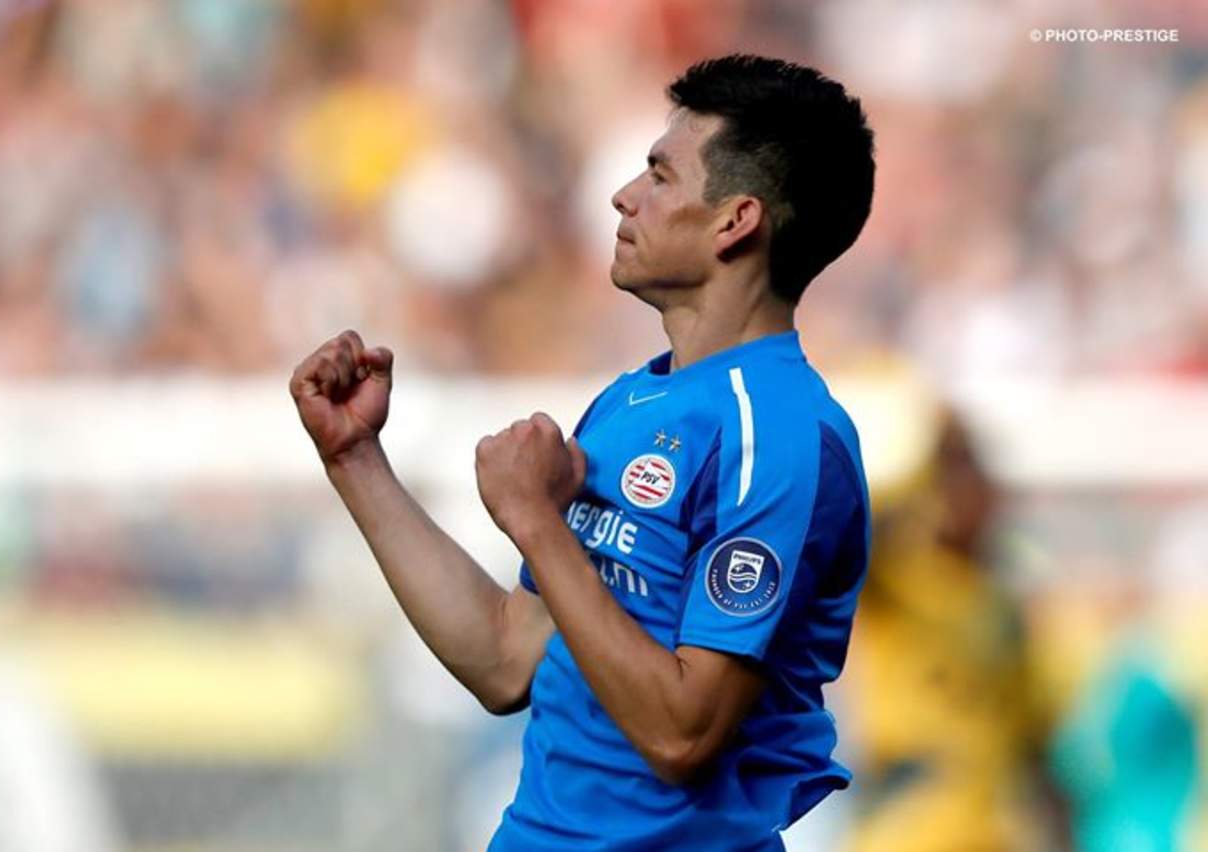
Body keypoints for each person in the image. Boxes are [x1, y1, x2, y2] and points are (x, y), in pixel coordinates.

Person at [290, 54, 876, 851]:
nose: (624, 195)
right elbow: (506, 657)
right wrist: (356, 459)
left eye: (660, 176)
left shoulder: (779, 436)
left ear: (735, 222)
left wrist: (536, 521)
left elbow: (681, 734)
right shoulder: (633, 402)